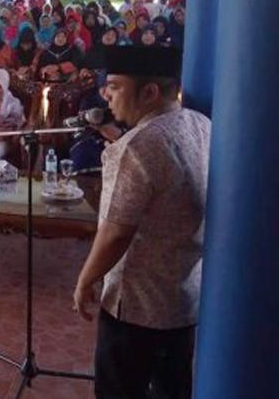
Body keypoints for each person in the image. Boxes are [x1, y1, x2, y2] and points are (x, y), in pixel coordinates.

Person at [72, 46, 210, 399]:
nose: (106, 95)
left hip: (135, 306)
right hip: (182, 299)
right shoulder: (199, 124)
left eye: (115, 86)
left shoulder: (138, 147)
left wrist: (86, 279)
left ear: (148, 92)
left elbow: (116, 232)